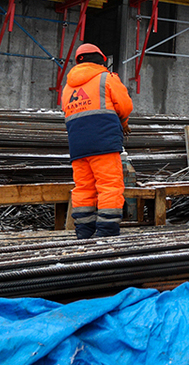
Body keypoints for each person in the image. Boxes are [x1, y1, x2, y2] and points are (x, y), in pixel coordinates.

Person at [61, 43, 133, 239]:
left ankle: (84, 233)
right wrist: (124, 123)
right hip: (104, 142)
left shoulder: (68, 88)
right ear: (102, 60)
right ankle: (106, 232)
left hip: (78, 146)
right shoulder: (106, 78)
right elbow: (125, 105)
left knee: (83, 187)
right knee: (109, 185)